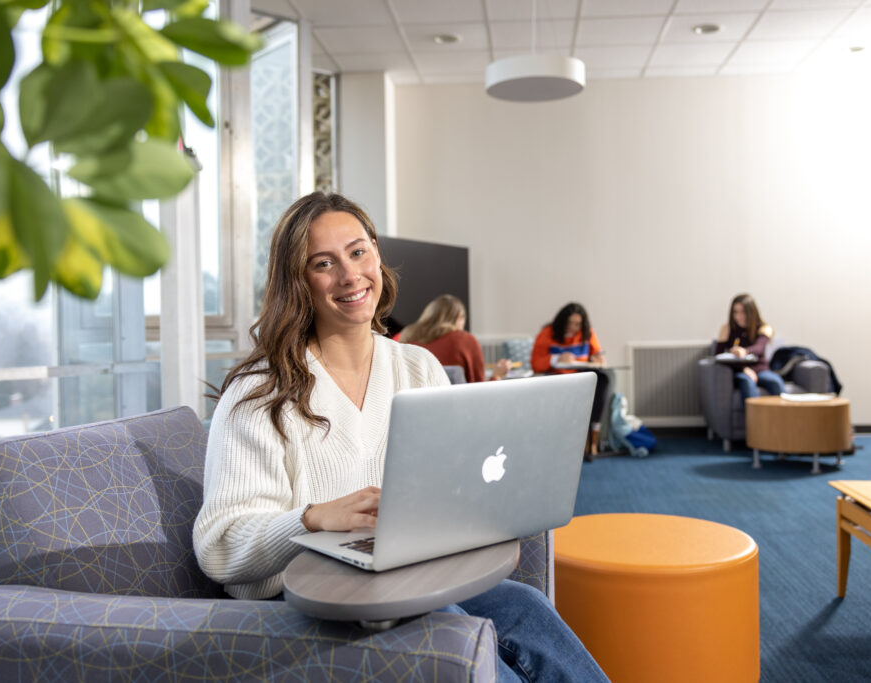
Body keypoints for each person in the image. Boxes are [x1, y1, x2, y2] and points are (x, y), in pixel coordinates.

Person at [193, 192, 608, 682]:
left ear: (377, 256)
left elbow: (450, 484)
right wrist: (311, 519)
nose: (349, 275)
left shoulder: (418, 367)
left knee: (525, 608)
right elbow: (217, 545)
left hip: (404, 572)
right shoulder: (260, 391)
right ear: (297, 281)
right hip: (307, 600)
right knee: (453, 632)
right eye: (323, 263)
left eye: (358, 251)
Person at [531, 302, 609, 457]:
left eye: (577, 324)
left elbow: (597, 355)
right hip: (557, 376)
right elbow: (536, 363)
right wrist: (557, 358)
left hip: (581, 376)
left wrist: (599, 359)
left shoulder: (588, 334)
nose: (573, 327)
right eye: (570, 323)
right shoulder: (547, 333)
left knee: (603, 380)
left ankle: (592, 437)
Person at [399, 294, 510, 382]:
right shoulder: (465, 340)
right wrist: (497, 376)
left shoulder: (406, 337)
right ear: (459, 317)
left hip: (415, 407)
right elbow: (480, 392)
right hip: (457, 407)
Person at [713, 293, 786, 400]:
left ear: (751, 312)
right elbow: (718, 355)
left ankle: (787, 415)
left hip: (761, 369)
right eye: (735, 312)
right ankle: (755, 416)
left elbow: (759, 348)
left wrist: (744, 351)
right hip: (739, 370)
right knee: (747, 382)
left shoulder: (764, 327)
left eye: (743, 312)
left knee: (775, 382)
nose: (739, 316)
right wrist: (743, 369)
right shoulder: (727, 328)